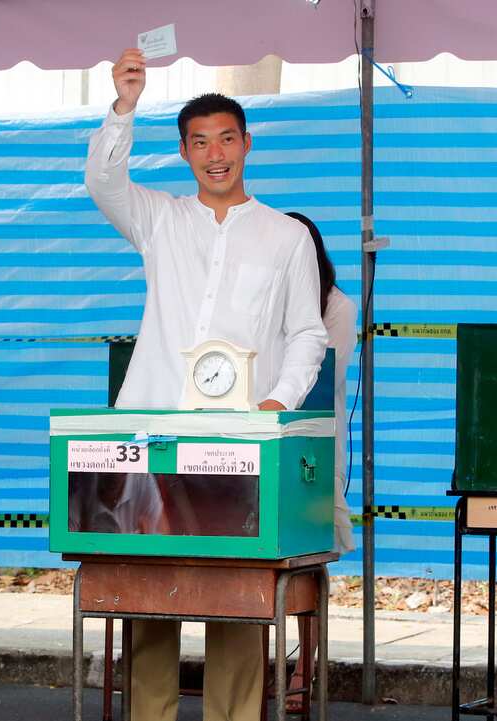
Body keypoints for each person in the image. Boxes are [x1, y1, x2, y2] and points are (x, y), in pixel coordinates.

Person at [85, 49, 328, 721]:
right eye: (199, 142)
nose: (215, 153)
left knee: (240, 601)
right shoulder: (158, 219)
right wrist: (125, 106)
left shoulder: (285, 237)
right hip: (151, 437)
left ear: (248, 144)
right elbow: (103, 181)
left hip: (240, 444)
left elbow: (308, 332)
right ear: (185, 153)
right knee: (148, 598)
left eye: (226, 138)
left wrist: (278, 402)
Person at [284, 211, 357, 713]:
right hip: (265, 437)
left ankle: (304, 665)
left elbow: (320, 374)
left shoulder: (337, 306)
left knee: (310, 550)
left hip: (313, 440)